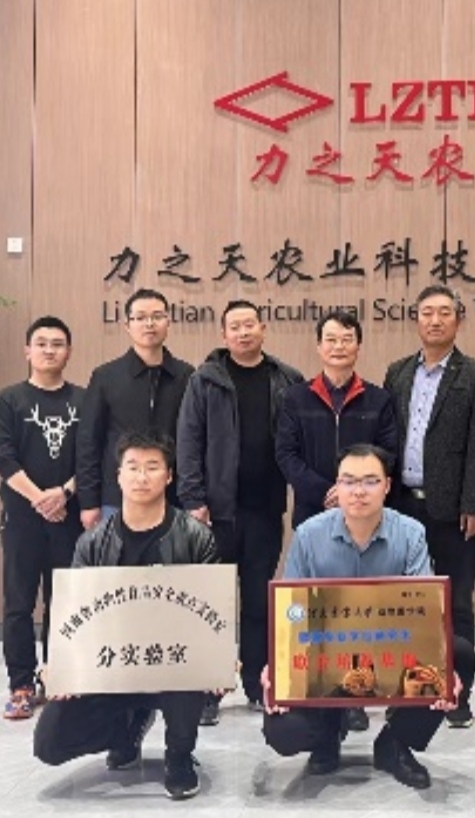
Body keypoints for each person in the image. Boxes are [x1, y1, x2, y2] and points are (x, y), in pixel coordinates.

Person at [261, 444, 475, 790]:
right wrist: (276, 666)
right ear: (336, 486)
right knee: (284, 731)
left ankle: (395, 742)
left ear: (387, 486)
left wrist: (440, 664)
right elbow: (290, 613)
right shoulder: (309, 535)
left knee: (459, 655)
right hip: (326, 654)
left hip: (391, 649)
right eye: (348, 481)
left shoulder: (411, 534)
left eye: (370, 481)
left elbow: (424, 614)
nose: (358, 491)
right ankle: (326, 734)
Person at [32, 430, 217, 800]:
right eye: (132, 467)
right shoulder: (92, 542)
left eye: (152, 467)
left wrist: (219, 662)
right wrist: (58, 667)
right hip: (111, 665)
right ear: (118, 476)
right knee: (49, 743)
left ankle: (179, 755)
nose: (141, 476)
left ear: (169, 476)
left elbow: (210, 618)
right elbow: (75, 617)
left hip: (173, 666)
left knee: (190, 665)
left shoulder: (196, 537)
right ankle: (127, 729)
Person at [176, 300, 303, 724]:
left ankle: (255, 682)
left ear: (263, 328)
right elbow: (188, 441)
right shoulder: (205, 380)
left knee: (257, 603)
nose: (243, 332)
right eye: (235, 326)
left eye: (250, 324)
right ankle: (207, 690)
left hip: (265, 509)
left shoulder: (286, 378)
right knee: (211, 604)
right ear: (224, 334)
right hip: (215, 513)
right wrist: (193, 499)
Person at [275, 309, 398, 733]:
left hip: (366, 516)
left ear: (358, 345)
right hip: (315, 512)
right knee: (319, 606)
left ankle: (356, 696)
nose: (338, 346)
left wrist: (354, 492)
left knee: (359, 606)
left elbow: (388, 452)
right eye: (330, 339)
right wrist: (327, 492)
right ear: (318, 346)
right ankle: (321, 686)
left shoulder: (379, 399)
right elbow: (285, 454)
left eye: (346, 338)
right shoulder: (296, 398)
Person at [383, 284, 475, 727]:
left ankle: (458, 693)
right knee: (405, 601)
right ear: (416, 319)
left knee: (457, 602)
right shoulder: (397, 372)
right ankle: (406, 687)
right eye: (427, 312)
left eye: (444, 313)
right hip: (401, 506)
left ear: (458, 320)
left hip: (453, 510)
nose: (435, 320)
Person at [0, 316, 86, 721]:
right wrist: (41, 499)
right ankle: (21, 685)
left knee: (65, 604)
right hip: (22, 520)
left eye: (57, 343)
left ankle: (59, 678)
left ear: (69, 351)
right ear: (27, 350)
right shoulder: (9, 400)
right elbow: (2, 457)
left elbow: (92, 458)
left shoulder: (84, 401)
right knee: (19, 603)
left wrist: (64, 494)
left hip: (70, 518)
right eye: (41, 343)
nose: (49, 350)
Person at [75, 288, 194, 529]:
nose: (149, 324)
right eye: (140, 317)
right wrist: (89, 501)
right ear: (127, 326)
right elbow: (89, 442)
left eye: (157, 316)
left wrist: (194, 497)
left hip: (174, 497)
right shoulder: (106, 376)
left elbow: (195, 440)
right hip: (116, 498)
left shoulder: (187, 376)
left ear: (168, 322)